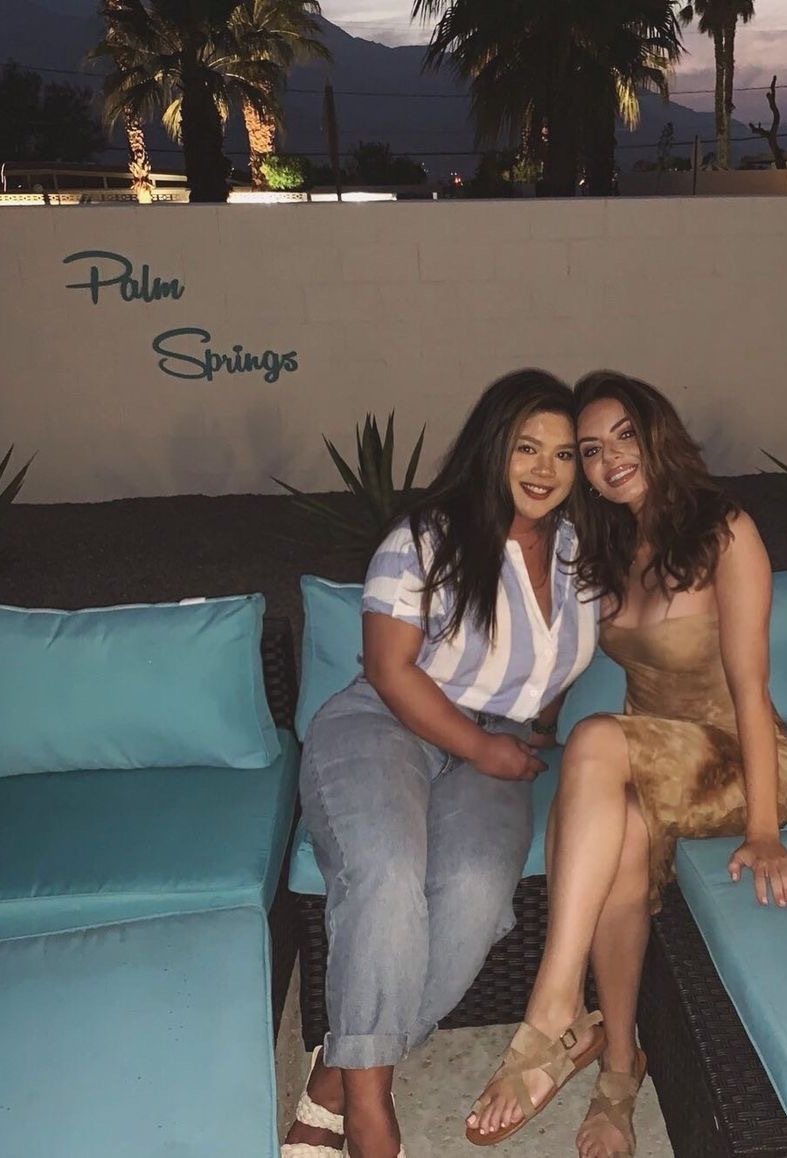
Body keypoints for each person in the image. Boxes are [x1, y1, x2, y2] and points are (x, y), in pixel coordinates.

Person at [466, 371, 787, 1158]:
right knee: (614, 831)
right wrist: (528, 726)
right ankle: (620, 1070)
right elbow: (560, 647)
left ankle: (553, 1009)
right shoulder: (607, 547)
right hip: (649, 757)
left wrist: (763, 831)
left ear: (659, 434)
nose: (610, 458)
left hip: (735, 757)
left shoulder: (725, 531)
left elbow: (751, 692)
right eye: (590, 449)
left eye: (624, 436)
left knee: (595, 740)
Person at [283, 370, 600, 1158]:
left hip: (502, 746)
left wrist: (538, 729)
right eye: (526, 447)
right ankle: (370, 1117)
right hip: (387, 723)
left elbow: (567, 660)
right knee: (386, 872)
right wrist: (484, 746)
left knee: (475, 891)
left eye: (564, 453)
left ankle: (338, 1078)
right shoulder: (426, 537)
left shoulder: (579, 556)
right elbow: (390, 669)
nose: (545, 468)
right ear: (493, 447)